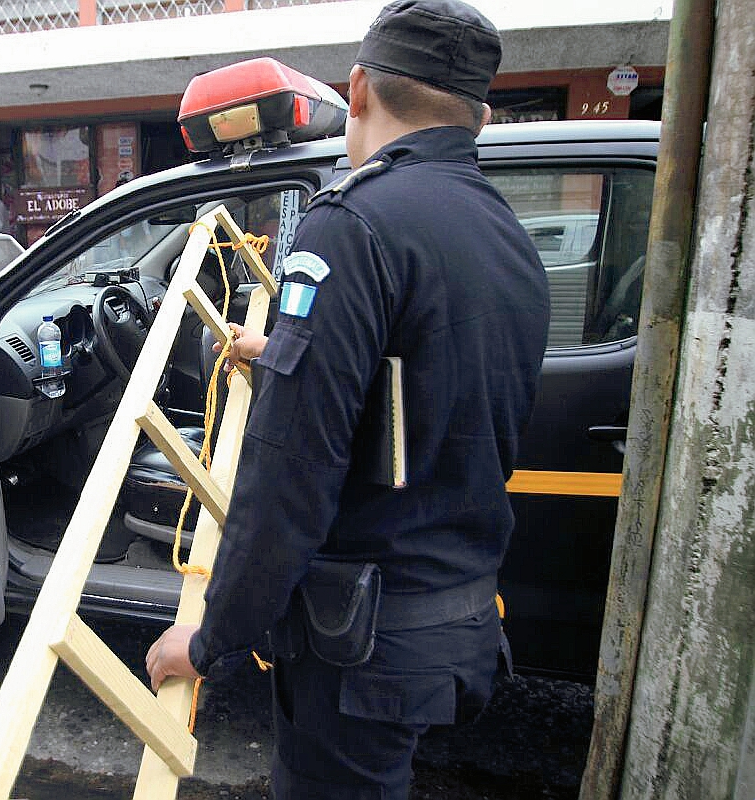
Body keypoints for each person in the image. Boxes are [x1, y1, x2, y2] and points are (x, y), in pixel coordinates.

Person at [145, 2, 551, 797]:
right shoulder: (507, 234)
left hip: (359, 645)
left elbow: (288, 474)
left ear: (358, 88)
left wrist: (210, 639)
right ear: (480, 114)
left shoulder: (352, 225)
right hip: (455, 620)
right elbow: (433, 385)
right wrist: (297, 354)